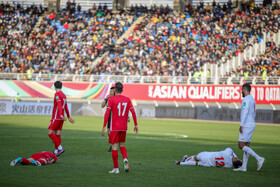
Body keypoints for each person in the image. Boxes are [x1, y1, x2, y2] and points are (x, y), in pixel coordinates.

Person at [101, 82, 138, 174]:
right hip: (123, 127)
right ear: (122, 90)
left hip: (114, 127)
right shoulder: (127, 99)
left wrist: (104, 126)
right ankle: (125, 159)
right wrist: (135, 125)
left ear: (115, 90)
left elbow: (107, 114)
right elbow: (133, 112)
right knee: (122, 145)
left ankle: (116, 169)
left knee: (114, 146)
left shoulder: (112, 99)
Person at [233, 83, 265, 172]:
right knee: (246, 146)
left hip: (246, 125)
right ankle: (244, 167)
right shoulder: (252, 99)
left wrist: (242, 125)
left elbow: (245, 112)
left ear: (245, 89)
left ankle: (259, 158)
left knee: (241, 145)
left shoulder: (246, 99)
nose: (241, 92)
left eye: (241, 90)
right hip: (251, 124)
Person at [48, 81, 75, 156]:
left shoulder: (57, 94)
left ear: (54, 87)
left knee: (50, 133)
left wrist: (60, 114)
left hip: (57, 116)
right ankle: (56, 151)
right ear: (61, 87)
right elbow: (66, 106)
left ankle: (60, 148)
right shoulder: (64, 95)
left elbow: (59, 104)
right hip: (61, 117)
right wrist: (68, 117)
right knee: (57, 133)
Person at [175, 148, 242, 168]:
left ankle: (185, 159)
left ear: (236, 159)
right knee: (196, 163)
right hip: (209, 164)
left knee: (195, 157)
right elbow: (236, 165)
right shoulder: (229, 166)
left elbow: (230, 149)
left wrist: (235, 156)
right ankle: (180, 163)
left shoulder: (227, 153)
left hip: (207, 155)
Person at [101, 86, 116, 152]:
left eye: (111, 91)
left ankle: (113, 145)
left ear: (114, 92)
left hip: (116, 117)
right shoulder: (109, 98)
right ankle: (113, 144)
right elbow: (102, 106)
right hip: (110, 117)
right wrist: (105, 99)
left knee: (113, 132)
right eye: (110, 91)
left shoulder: (117, 98)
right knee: (109, 132)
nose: (110, 92)